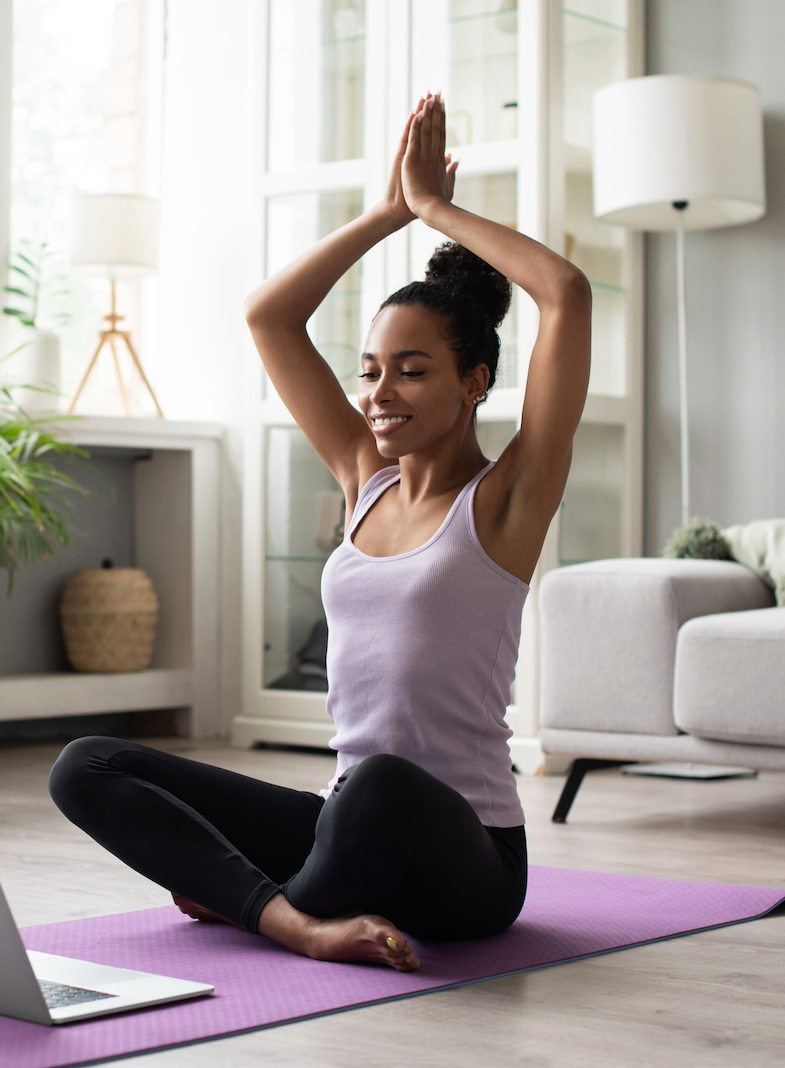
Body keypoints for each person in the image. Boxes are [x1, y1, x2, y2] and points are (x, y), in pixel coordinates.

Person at [49, 93, 591, 972]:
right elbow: (269, 316)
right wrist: (383, 217)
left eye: (413, 372)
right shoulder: (361, 481)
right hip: (347, 820)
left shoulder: (506, 501)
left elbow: (564, 293)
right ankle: (295, 917)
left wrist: (435, 210)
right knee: (86, 764)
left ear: (475, 383)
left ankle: (255, 898)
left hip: (471, 860)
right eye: (371, 370)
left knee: (376, 787)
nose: (379, 393)